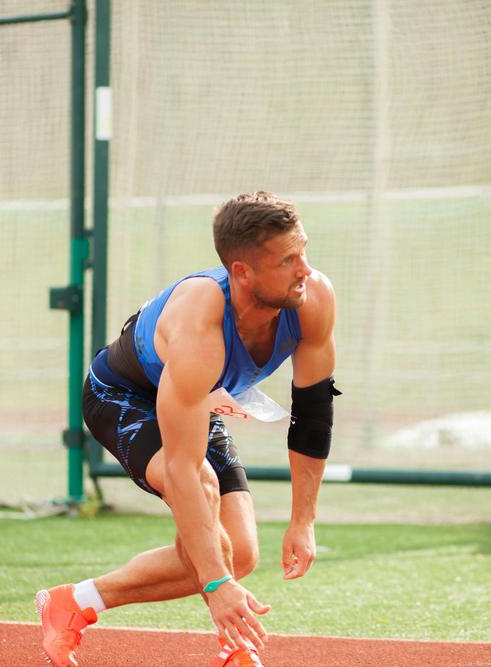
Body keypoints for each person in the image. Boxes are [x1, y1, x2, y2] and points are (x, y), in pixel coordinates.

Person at [35, 191, 339, 667]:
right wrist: (215, 586)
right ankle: (234, 648)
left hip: (196, 397)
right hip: (121, 396)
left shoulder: (313, 297)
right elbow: (181, 471)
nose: (304, 269)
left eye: (303, 251)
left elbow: (313, 414)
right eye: (287, 260)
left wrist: (304, 521)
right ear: (242, 272)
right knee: (202, 488)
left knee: (240, 553)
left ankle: (74, 602)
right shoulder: (200, 321)